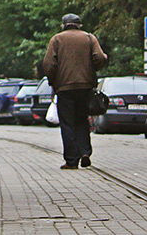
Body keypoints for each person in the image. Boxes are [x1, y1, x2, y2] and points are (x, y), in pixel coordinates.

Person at [41, 13, 108, 169]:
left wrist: (54, 81)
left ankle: (72, 160)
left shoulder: (57, 39)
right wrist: (92, 69)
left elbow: (48, 64)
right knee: (82, 120)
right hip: (85, 86)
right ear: (79, 25)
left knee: (67, 123)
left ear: (64, 25)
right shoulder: (89, 38)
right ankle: (85, 152)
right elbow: (100, 57)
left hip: (64, 87)